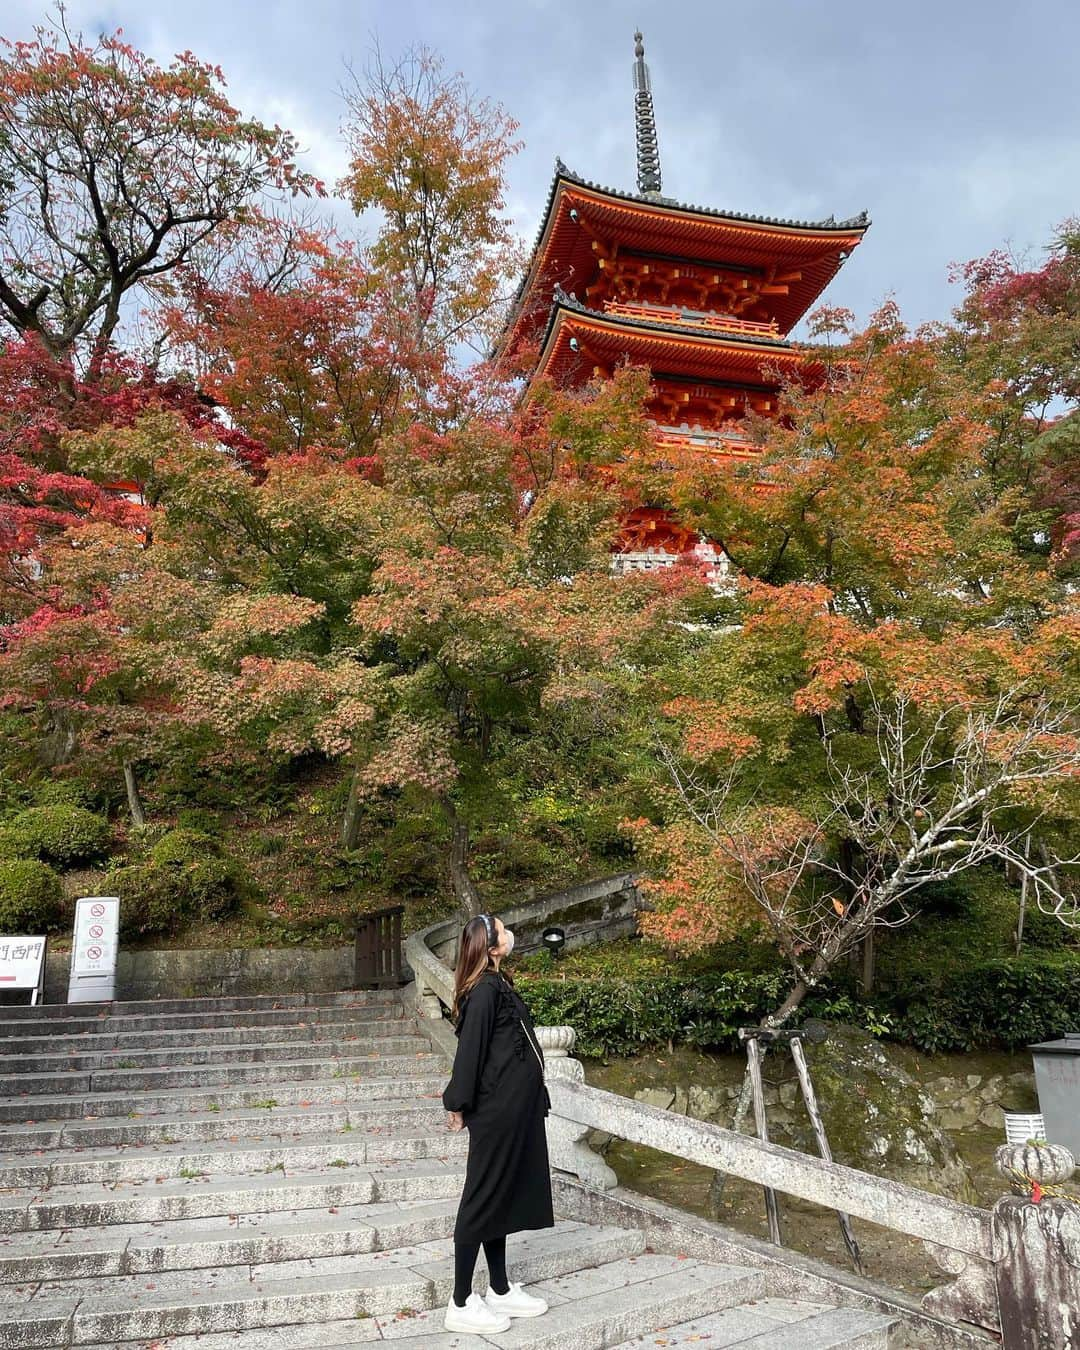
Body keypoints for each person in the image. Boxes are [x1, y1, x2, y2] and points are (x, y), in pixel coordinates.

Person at [441, 911, 554, 1334]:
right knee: (481, 1198)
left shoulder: (499, 983)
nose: (510, 934)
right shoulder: (485, 991)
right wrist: (457, 1102)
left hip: (517, 1111)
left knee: (501, 1198)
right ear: (490, 948)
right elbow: (470, 1053)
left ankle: (500, 1289)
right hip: (497, 1113)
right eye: (503, 931)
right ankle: (460, 1301)